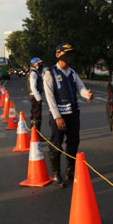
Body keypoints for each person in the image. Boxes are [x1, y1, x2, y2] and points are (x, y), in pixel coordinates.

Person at [43, 43, 93, 188]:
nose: (69, 57)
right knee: (56, 144)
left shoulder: (72, 73)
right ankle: (56, 175)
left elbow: (81, 88)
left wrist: (87, 95)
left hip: (73, 114)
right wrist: (57, 117)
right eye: (66, 54)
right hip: (58, 116)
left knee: (73, 142)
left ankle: (70, 170)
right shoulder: (50, 73)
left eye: (70, 54)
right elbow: (50, 97)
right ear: (58, 55)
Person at [27, 57, 44, 135]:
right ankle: (36, 135)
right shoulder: (33, 73)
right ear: (34, 64)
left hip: (34, 96)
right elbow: (33, 87)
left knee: (34, 115)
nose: (40, 64)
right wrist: (39, 98)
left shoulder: (35, 72)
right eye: (38, 63)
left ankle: (34, 134)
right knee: (36, 116)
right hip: (34, 96)